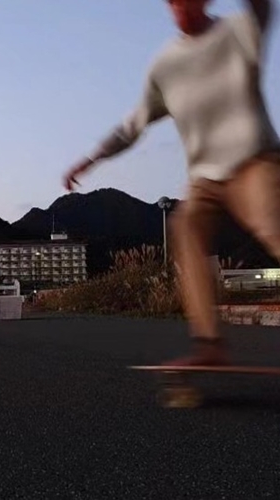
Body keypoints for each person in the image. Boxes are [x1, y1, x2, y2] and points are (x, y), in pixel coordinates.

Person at [62, 0, 280, 366]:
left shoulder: (238, 31)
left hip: (254, 162)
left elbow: (262, 9)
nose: (181, 9)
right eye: (174, 3)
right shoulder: (166, 65)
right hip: (205, 179)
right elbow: (132, 126)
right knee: (185, 229)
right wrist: (93, 158)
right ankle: (209, 345)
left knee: (272, 226)